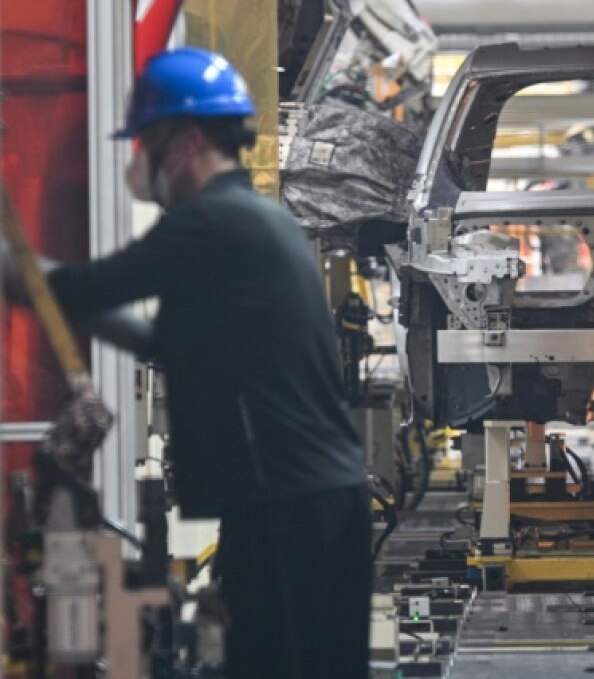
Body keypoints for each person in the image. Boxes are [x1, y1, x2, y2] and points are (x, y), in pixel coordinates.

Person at [40, 48, 371, 678]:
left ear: (186, 140)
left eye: (145, 142)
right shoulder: (255, 222)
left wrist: (17, 267)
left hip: (285, 507)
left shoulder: (212, 221)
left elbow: (87, 288)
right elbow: (168, 341)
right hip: (312, 500)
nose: (137, 162)